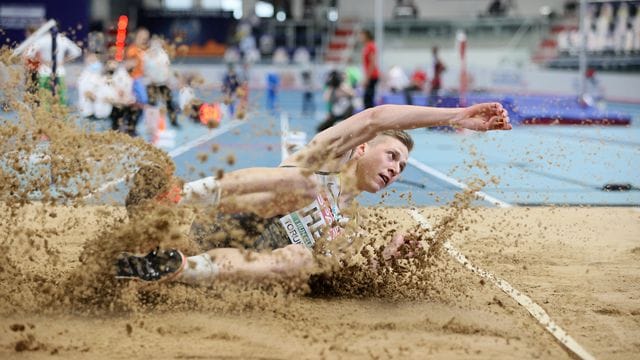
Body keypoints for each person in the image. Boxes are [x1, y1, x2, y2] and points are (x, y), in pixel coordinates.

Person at [116, 102, 512, 284]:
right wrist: (454, 117)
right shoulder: (327, 159)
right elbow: (376, 118)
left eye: (402, 167)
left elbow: (339, 275)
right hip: (221, 220)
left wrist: (386, 262)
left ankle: (175, 267)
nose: (395, 168)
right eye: (391, 156)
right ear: (361, 149)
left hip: (233, 263)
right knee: (301, 180)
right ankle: (175, 196)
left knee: (304, 258)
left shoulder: (349, 225)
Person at [25, 27, 82, 104]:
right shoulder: (63, 39)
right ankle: (59, 113)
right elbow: (77, 51)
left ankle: (45, 114)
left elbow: (29, 53)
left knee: (44, 97)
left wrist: (43, 61)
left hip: (45, 71)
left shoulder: (43, 39)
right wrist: (63, 61)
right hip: (59, 70)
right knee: (60, 96)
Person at [360, 30, 380, 109]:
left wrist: (367, 78)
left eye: (362, 35)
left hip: (372, 76)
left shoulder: (371, 46)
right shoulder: (366, 46)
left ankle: (370, 119)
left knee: (368, 99)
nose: (360, 37)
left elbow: (372, 63)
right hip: (370, 75)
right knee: (367, 99)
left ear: (367, 35)